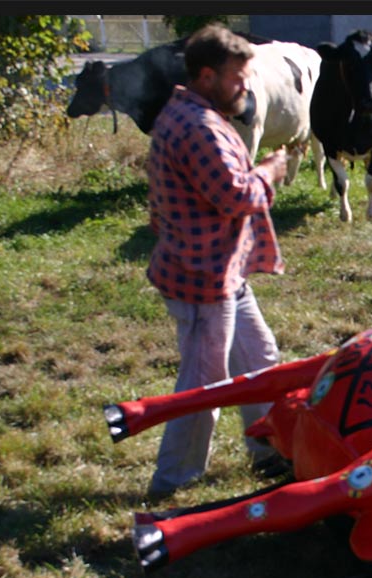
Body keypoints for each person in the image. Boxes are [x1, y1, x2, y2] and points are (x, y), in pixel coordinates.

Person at [145, 24, 291, 498]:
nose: (245, 86)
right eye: (237, 77)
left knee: (262, 361)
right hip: (202, 281)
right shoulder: (198, 127)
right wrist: (268, 171)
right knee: (204, 388)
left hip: (223, 272)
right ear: (207, 75)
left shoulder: (192, 112)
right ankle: (172, 481)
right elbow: (234, 195)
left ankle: (268, 451)